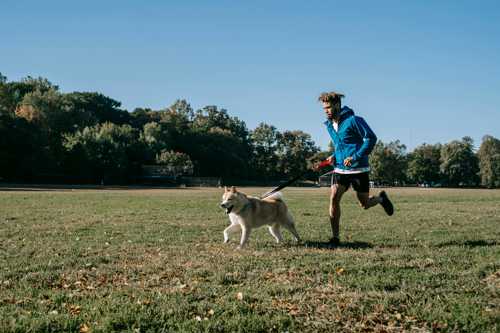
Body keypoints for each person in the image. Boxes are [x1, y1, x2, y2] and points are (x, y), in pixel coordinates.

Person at [314, 91, 394, 246]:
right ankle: (335, 238)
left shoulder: (354, 120)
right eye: (324, 109)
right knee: (334, 197)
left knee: (364, 204)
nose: (327, 111)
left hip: (359, 169)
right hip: (340, 169)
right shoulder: (329, 125)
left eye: (329, 107)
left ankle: (381, 199)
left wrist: (356, 156)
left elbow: (371, 138)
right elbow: (341, 145)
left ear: (337, 105)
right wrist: (334, 156)